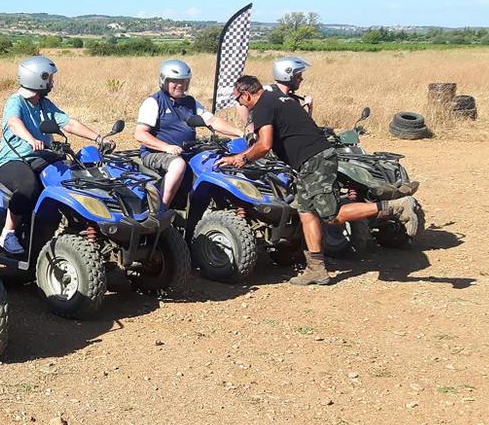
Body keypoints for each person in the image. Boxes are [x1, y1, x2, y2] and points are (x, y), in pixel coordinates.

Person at [216, 58, 419, 285]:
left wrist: (241, 159)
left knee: (331, 215)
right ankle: (316, 268)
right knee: (305, 211)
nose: (241, 105)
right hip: (312, 160)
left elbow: (264, 145)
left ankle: (393, 207)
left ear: (246, 95)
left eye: (239, 100)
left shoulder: (262, 105)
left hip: (314, 161)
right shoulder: (282, 99)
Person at [0, 55, 112, 255]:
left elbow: (69, 123)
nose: (52, 83)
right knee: (28, 186)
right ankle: (8, 233)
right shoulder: (16, 101)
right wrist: (30, 139)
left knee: (74, 178)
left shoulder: (44, 104)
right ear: (38, 78)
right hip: (13, 160)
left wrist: (98, 138)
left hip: (41, 158)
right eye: (49, 78)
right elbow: (14, 122)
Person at [134, 59, 243, 207]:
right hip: (156, 153)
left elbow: (212, 120)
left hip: (187, 150)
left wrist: (239, 133)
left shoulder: (190, 102)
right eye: (174, 81)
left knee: (218, 161)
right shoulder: (154, 102)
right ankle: (161, 209)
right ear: (164, 81)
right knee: (177, 165)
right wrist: (166, 147)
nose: (180, 85)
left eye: (184, 81)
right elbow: (140, 134)